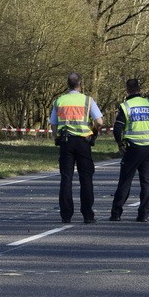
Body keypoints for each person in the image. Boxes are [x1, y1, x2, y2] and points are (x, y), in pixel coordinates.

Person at [49, 72, 103, 224]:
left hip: (66, 142)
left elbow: (53, 123)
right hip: (83, 142)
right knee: (86, 178)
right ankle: (87, 214)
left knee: (66, 178)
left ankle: (66, 215)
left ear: (67, 84)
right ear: (80, 84)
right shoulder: (87, 100)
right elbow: (99, 121)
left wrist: (56, 137)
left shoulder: (59, 100)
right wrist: (93, 133)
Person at [109, 79, 149, 223]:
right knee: (146, 181)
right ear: (140, 89)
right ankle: (143, 215)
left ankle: (116, 213)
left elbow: (118, 128)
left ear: (127, 89)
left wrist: (120, 144)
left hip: (132, 149)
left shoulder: (126, 106)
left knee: (125, 181)